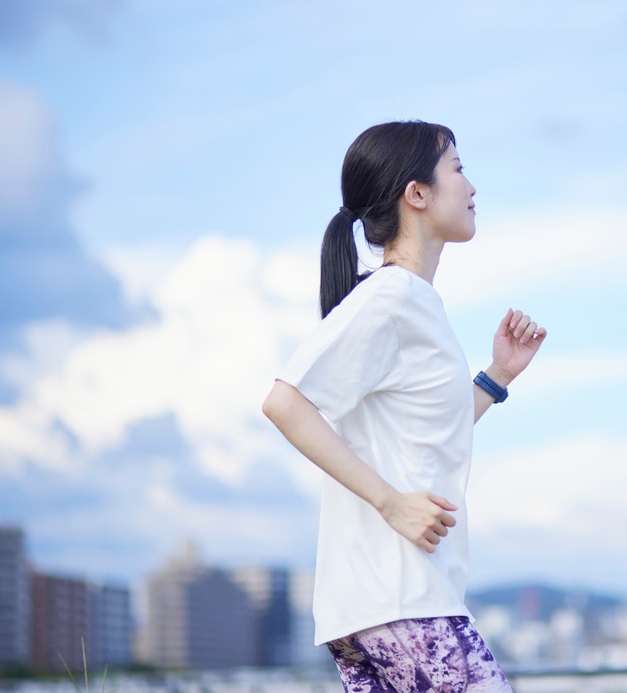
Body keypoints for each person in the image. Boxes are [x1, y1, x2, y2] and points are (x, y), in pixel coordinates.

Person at [262, 121, 546, 692]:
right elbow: (284, 402)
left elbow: (427, 432)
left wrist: (495, 379)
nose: (471, 187)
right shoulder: (390, 297)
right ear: (416, 194)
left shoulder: (412, 302)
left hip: (378, 604)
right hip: (401, 596)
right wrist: (390, 503)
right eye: (458, 169)